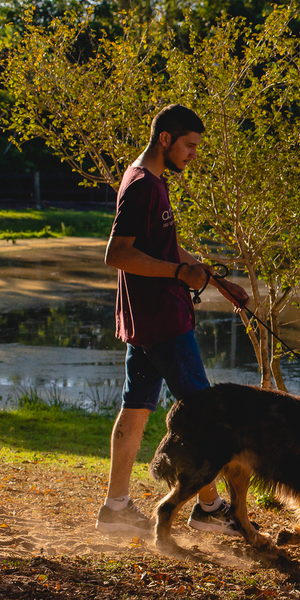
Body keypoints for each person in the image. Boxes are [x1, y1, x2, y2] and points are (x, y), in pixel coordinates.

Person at [95, 104, 251, 537]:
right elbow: (117, 254)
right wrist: (179, 275)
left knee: (136, 410)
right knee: (203, 414)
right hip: (162, 320)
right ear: (165, 139)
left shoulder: (150, 181)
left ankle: (115, 508)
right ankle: (208, 508)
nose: (193, 154)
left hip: (147, 320)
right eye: (189, 145)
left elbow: (164, 249)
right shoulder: (143, 185)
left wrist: (217, 280)